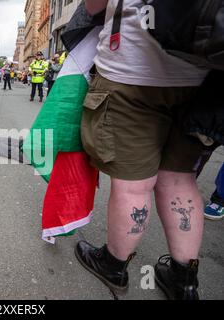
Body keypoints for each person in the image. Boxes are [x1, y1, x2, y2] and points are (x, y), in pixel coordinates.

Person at [76, 0, 210, 300]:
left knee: (133, 185)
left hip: (133, 72)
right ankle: (184, 281)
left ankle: (113, 265)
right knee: (180, 180)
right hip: (202, 76)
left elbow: (94, 5)